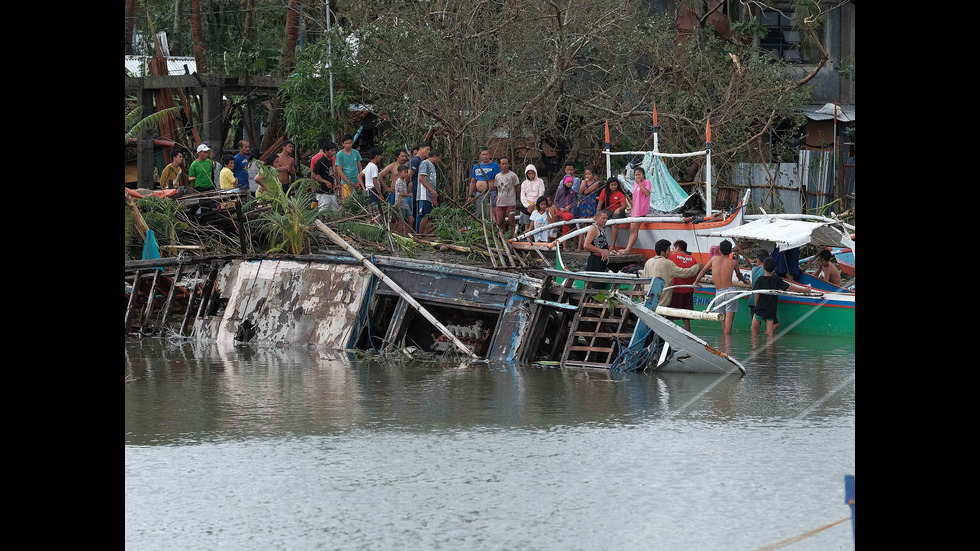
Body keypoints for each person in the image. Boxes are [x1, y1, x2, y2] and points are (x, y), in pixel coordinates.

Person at [694, 239, 748, 335]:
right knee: (729, 322)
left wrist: (695, 282)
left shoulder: (714, 259)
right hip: (730, 292)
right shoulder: (733, 262)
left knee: (722, 321)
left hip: (719, 293)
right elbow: (739, 276)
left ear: (719, 250)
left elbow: (703, 271)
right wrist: (745, 282)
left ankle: (723, 344)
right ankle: (727, 346)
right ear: (730, 251)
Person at [641, 239, 702, 310]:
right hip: (661, 302)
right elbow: (684, 273)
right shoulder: (668, 263)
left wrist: (642, 295)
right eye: (668, 251)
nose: (670, 253)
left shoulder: (648, 262)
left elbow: (643, 279)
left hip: (649, 300)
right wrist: (696, 267)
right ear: (662, 252)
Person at [669, 240, 700, 331]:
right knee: (686, 319)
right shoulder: (693, 259)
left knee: (670, 317)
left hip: (675, 290)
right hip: (688, 291)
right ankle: (688, 337)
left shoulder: (672, 257)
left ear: (678, 248)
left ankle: (666, 338)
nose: (672, 251)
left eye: (673, 248)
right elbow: (694, 276)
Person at [622, 167, 652, 255]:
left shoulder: (647, 182)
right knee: (632, 229)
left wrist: (640, 184)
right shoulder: (635, 184)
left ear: (643, 175)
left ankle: (628, 249)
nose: (637, 176)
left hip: (641, 209)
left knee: (634, 229)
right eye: (635, 175)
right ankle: (628, 248)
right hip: (635, 209)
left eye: (639, 174)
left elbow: (647, 193)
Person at [490, 156, 520, 238]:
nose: (504, 166)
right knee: (501, 222)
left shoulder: (513, 175)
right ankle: (502, 237)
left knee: (511, 221)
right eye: (503, 164)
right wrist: (497, 196)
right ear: (500, 165)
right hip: (500, 203)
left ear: (509, 164)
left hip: (510, 202)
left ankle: (513, 236)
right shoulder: (497, 176)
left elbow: (517, 188)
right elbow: (497, 188)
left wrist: (515, 198)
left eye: (506, 164)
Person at [575, 166, 602, 252]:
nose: (587, 176)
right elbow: (580, 191)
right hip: (583, 204)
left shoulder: (596, 183)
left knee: (589, 227)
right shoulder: (584, 182)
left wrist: (584, 184)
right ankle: (579, 246)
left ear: (593, 175)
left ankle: (587, 246)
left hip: (590, 204)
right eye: (586, 174)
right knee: (581, 226)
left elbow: (586, 192)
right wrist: (583, 183)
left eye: (589, 174)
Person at [596, 177, 627, 252]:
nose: (614, 187)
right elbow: (600, 204)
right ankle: (597, 243)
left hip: (618, 211)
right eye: (612, 185)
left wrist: (619, 209)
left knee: (614, 224)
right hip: (608, 211)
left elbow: (624, 206)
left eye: (615, 185)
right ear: (608, 185)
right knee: (599, 221)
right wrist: (597, 214)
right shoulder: (604, 191)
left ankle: (613, 245)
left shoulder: (620, 193)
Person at [469, 147, 501, 219]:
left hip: (491, 192)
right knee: (480, 212)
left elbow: (499, 180)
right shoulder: (476, 166)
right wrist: (470, 195)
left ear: (489, 155)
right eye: (483, 154)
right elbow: (473, 181)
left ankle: (494, 226)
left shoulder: (494, 165)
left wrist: (498, 194)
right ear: (480, 156)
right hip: (479, 194)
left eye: (486, 154)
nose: (485, 156)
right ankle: (482, 226)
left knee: (492, 211)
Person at [416, 148, 442, 235]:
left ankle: (426, 234)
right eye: (439, 158)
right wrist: (431, 190)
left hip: (430, 195)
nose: (439, 160)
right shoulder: (425, 163)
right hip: (425, 194)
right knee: (425, 215)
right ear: (435, 157)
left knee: (430, 216)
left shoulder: (432, 166)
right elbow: (421, 178)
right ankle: (421, 234)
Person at [518, 164, 546, 236]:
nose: (531, 175)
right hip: (527, 206)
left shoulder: (540, 181)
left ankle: (538, 239)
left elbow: (541, 193)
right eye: (529, 174)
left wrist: (535, 204)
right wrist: (528, 206)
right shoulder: (524, 183)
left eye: (532, 173)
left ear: (535, 173)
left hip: (537, 205)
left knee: (538, 223)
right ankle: (528, 239)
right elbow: (522, 195)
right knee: (527, 224)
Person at [359, 147, 385, 220]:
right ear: (376, 156)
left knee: (372, 212)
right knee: (377, 213)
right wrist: (379, 193)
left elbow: (359, 176)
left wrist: (364, 188)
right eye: (380, 156)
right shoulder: (374, 166)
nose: (380, 158)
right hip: (373, 190)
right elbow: (374, 181)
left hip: (369, 190)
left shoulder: (368, 166)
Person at [550, 175, 578, 243]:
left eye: (571, 182)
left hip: (567, 211)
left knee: (566, 227)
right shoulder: (560, 190)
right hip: (560, 210)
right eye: (568, 182)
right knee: (570, 217)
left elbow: (574, 202)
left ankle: (564, 244)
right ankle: (560, 218)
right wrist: (560, 208)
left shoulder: (572, 191)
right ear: (565, 182)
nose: (569, 184)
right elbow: (555, 201)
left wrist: (569, 206)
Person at [311, 140, 338, 209]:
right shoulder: (320, 161)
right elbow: (313, 175)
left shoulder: (330, 160)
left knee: (335, 210)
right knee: (323, 210)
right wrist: (325, 182)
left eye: (334, 151)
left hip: (331, 190)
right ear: (326, 150)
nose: (333, 153)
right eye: (331, 150)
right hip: (323, 191)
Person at [334, 134, 362, 199]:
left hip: (357, 181)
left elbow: (360, 167)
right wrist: (348, 182)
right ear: (343, 144)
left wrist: (359, 180)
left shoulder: (356, 153)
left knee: (358, 201)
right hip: (346, 183)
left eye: (350, 143)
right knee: (347, 202)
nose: (348, 145)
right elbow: (339, 170)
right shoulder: (340, 154)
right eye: (346, 143)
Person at [410, 143, 430, 232]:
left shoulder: (422, 161)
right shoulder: (416, 160)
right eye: (427, 149)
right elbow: (409, 175)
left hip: (418, 191)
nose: (428, 152)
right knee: (415, 213)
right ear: (421, 149)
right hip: (414, 191)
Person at [747, 249, 770, 322]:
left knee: (755, 326)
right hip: (762, 301)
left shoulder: (754, 269)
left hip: (752, 300)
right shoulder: (768, 271)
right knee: (771, 324)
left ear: (758, 259)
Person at [393, 163, 414, 231]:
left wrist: (408, 187)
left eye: (407, 172)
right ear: (399, 173)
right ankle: (400, 234)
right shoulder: (399, 181)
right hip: (400, 204)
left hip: (404, 204)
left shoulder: (404, 181)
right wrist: (409, 195)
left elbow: (403, 191)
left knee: (411, 219)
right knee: (401, 221)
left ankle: (407, 234)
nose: (406, 174)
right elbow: (401, 194)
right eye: (404, 172)